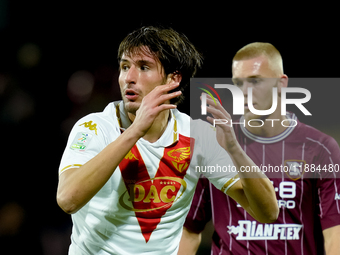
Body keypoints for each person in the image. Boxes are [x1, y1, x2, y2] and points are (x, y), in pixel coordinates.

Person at [56, 27, 278, 255]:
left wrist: (235, 151)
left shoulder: (197, 135)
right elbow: (67, 199)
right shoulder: (95, 128)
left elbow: (268, 212)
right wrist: (135, 131)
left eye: (143, 67)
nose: (129, 78)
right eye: (124, 67)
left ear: (173, 78)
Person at [179, 42, 340, 255]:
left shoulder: (321, 149)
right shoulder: (214, 143)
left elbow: (334, 234)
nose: (244, 92)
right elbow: (189, 230)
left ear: (281, 84)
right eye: (238, 83)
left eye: (255, 81)